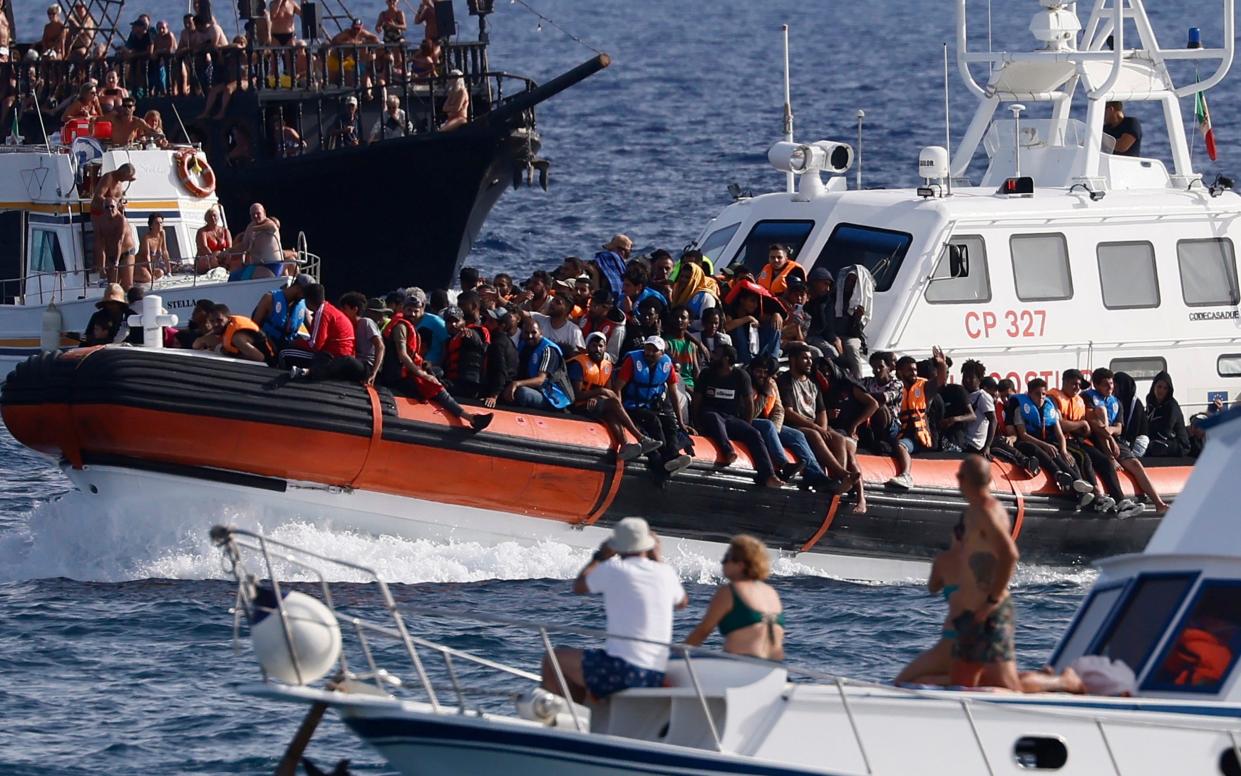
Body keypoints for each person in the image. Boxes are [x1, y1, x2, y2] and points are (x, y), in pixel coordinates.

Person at [541, 517, 687, 703]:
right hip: (655, 674)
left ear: (617, 546)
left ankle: (568, 719)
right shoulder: (665, 572)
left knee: (553, 659)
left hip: (624, 672)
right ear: (648, 546)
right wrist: (658, 558)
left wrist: (599, 557)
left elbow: (579, 586)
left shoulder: (614, 569)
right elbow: (682, 602)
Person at [950, 455, 1021, 691]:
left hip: (989, 610)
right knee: (962, 682)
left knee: (1006, 684)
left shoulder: (986, 512)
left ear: (963, 479)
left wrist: (991, 601)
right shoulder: (977, 510)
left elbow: (1010, 554)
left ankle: (1064, 682)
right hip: (972, 610)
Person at [381, 296, 493, 431]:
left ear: (422, 311)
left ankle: (470, 417)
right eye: (409, 310)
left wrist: (425, 368)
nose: (412, 314)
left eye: (416, 311)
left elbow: (479, 343)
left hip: (465, 384)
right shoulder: (401, 327)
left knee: (435, 375)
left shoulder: (469, 334)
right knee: (435, 385)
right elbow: (403, 355)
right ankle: (470, 418)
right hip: (397, 376)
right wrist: (422, 374)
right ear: (403, 309)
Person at [692, 345, 784, 488]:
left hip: (731, 417)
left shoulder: (740, 376)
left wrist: (747, 424)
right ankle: (728, 451)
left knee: (754, 433)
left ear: (726, 359)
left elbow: (749, 404)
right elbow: (697, 400)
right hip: (710, 414)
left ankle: (768, 475)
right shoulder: (706, 374)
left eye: (717, 353)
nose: (712, 355)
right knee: (714, 418)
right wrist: (696, 423)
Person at [1083, 368, 1170, 514]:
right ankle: (1110, 461)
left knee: (1135, 464)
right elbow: (1094, 423)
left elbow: (1119, 428)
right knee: (1101, 412)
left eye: (1111, 384)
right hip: (1093, 438)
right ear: (1096, 385)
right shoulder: (1088, 398)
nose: (1110, 388)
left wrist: (1109, 432)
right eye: (1105, 384)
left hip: (1113, 439)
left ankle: (1158, 503)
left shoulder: (1116, 401)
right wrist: (1109, 438)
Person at [685, 535, 785, 660]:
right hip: (776, 670)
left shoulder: (730, 591)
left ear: (741, 565)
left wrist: (675, 655)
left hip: (742, 668)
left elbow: (703, 631)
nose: (722, 562)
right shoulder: (771, 593)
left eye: (727, 558)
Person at [895, 519, 968, 686]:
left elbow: (933, 588)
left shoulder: (945, 561)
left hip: (953, 639)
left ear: (955, 536)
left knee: (902, 683)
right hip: (987, 637)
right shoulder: (988, 562)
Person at [777, 343, 857, 495]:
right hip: (795, 425)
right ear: (793, 360)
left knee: (838, 439)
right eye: (805, 359)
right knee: (814, 434)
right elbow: (789, 413)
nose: (809, 362)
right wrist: (817, 428)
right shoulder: (785, 380)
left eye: (810, 359)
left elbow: (822, 412)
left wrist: (823, 427)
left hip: (814, 425)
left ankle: (837, 482)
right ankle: (842, 474)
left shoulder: (813, 384)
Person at [568, 331, 660, 461]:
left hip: (597, 403)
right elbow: (576, 395)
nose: (597, 349)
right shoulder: (579, 364)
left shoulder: (607, 366)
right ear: (588, 347)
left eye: (601, 346)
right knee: (613, 402)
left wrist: (599, 396)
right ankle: (641, 438)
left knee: (611, 412)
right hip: (580, 405)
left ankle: (625, 445)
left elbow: (608, 391)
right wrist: (600, 393)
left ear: (605, 347)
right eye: (593, 346)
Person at [613, 336, 694, 475]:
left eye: (654, 350)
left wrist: (680, 422)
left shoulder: (666, 364)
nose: (649, 353)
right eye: (647, 349)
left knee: (669, 421)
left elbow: (673, 393)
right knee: (653, 420)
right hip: (631, 406)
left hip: (652, 406)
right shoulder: (633, 361)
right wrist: (619, 410)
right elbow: (618, 387)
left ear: (662, 353)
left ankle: (674, 456)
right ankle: (667, 457)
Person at [748, 356, 828, 488]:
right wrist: (763, 395)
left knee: (797, 435)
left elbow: (779, 409)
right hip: (748, 421)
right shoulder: (746, 383)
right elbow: (750, 413)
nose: (762, 375)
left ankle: (816, 474)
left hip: (771, 425)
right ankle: (784, 465)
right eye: (758, 371)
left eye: (765, 372)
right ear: (751, 371)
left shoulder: (771, 383)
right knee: (768, 426)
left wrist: (776, 428)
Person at [1011, 377, 1095, 498]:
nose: (1041, 397)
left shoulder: (1049, 408)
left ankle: (1080, 486)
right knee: (1045, 451)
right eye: (1037, 394)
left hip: (1048, 442)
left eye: (1043, 394)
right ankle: (1069, 481)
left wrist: (1064, 450)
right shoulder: (1021, 408)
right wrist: (1045, 445)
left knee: (1067, 458)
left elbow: (1060, 434)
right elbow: (1023, 435)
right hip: (1029, 442)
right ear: (1029, 394)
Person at [504, 317, 573, 411]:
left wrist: (516, 383)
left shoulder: (548, 349)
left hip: (551, 396)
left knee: (522, 393)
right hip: (536, 389)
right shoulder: (523, 345)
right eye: (526, 333)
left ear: (541, 332)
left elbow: (540, 380)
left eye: (533, 332)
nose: (530, 336)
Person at [194, 303, 275, 363]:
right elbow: (196, 344)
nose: (215, 324)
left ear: (228, 319)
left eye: (219, 320)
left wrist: (229, 353)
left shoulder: (237, 338)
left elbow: (260, 358)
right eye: (212, 321)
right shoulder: (221, 329)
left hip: (268, 365)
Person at [252, 274, 310, 352]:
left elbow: (313, 329)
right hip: (267, 347)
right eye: (305, 295)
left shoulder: (302, 306)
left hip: (287, 349)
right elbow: (253, 327)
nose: (305, 298)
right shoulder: (269, 298)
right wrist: (267, 343)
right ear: (298, 288)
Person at [441, 305, 488, 398]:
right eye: (449, 322)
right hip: (453, 383)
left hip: (470, 386)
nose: (453, 324)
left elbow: (477, 341)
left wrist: (469, 333)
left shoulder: (471, 333)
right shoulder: (448, 342)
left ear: (463, 321)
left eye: (456, 321)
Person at [340, 293, 385, 386]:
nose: (341, 311)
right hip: (358, 363)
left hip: (367, 366)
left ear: (355, 309)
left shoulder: (366, 322)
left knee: (346, 361)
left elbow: (380, 346)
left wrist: (374, 372)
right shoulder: (349, 326)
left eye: (345, 308)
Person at [480, 305, 519, 408]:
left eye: (491, 321)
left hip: (501, 392)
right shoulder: (504, 340)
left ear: (502, 326)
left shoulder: (498, 343)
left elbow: (500, 370)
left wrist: (494, 396)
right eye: (487, 320)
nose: (486, 323)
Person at [1145, 371, 1190, 457]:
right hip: (1157, 440)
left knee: (1153, 447)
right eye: (1159, 387)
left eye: (1165, 388)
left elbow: (1166, 431)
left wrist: (1150, 440)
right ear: (1154, 387)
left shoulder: (1172, 406)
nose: (1161, 390)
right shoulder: (1150, 401)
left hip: (1177, 444)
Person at [234, 202, 286, 276]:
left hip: (272, 265)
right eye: (252, 214)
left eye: (258, 213)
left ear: (264, 213)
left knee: (241, 276)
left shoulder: (269, 223)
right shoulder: (250, 226)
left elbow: (273, 227)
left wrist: (256, 229)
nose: (255, 216)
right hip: (257, 266)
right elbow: (244, 245)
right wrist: (228, 251)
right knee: (234, 276)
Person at [579, 289, 627, 361]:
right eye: (591, 304)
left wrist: (592, 353)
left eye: (595, 306)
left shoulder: (617, 328)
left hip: (601, 366)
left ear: (606, 308)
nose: (591, 308)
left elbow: (613, 357)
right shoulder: (586, 317)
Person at [134, 213, 171, 283]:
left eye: (161, 223)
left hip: (150, 266)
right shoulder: (147, 238)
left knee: (161, 272)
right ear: (151, 225)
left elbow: (165, 251)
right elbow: (147, 257)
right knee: (148, 278)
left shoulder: (162, 233)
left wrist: (169, 271)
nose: (159, 225)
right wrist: (151, 273)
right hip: (139, 265)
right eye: (157, 223)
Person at [195, 207, 231, 272]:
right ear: (206, 219)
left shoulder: (225, 231)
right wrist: (214, 257)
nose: (212, 218)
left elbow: (229, 247)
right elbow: (204, 247)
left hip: (221, 260)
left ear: (218, 217)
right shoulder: (202, 231)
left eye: (214, 215)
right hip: (206, 261)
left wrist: (223, 256)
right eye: (210, 216)